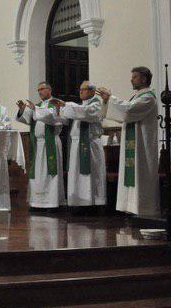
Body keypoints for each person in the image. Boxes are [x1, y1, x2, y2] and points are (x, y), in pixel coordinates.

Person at [98, 66, 159, 218]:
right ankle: (130, 207)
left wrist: (111, 98)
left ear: (144, 79)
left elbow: (128, 110)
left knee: (141, 173)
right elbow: (125, 111)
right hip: (133, 142)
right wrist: (107, 100)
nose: (131, 80)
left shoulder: (148, 97)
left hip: (142, 145)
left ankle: (143, 209)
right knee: (132, 173)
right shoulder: (137, 96)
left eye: (135, 77)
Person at [52, 81, 106, 211]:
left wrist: (65, 104)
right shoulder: (80, 106)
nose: (81, 91)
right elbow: (64, 119)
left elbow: (85, 113)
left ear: (92, 91)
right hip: (76, 144)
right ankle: (78, 202)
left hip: (90, 144)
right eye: (80, 89)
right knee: (76, 174)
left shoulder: (97, 104)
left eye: (84, 89)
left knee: (91, 175)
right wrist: (59, 109)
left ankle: (92, 203)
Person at [17, 81, 67, 210]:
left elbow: (52, 117)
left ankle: (52, 203)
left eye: (42, 89)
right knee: (37, 174)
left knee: (50, 174)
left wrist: (35, 109)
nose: (40, 92)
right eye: (38, 90)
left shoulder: (56, 103)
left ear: (49, 90)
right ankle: (37, 202)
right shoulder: (38, 106)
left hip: (51, 143)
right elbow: (29, 119)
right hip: (37, 144)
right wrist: (23, 110)